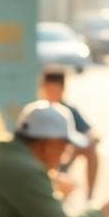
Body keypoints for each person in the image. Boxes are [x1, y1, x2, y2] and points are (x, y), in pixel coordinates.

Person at [38, 66, 99, 198]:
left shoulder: (68, 110)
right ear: (42, 88)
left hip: (61, 160)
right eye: (49, 89)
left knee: (90, 148)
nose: (53, 94)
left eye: (56, 90)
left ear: (63, 90)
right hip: (41, 161)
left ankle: (89, 197)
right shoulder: (36, 111)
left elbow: (90, 132)